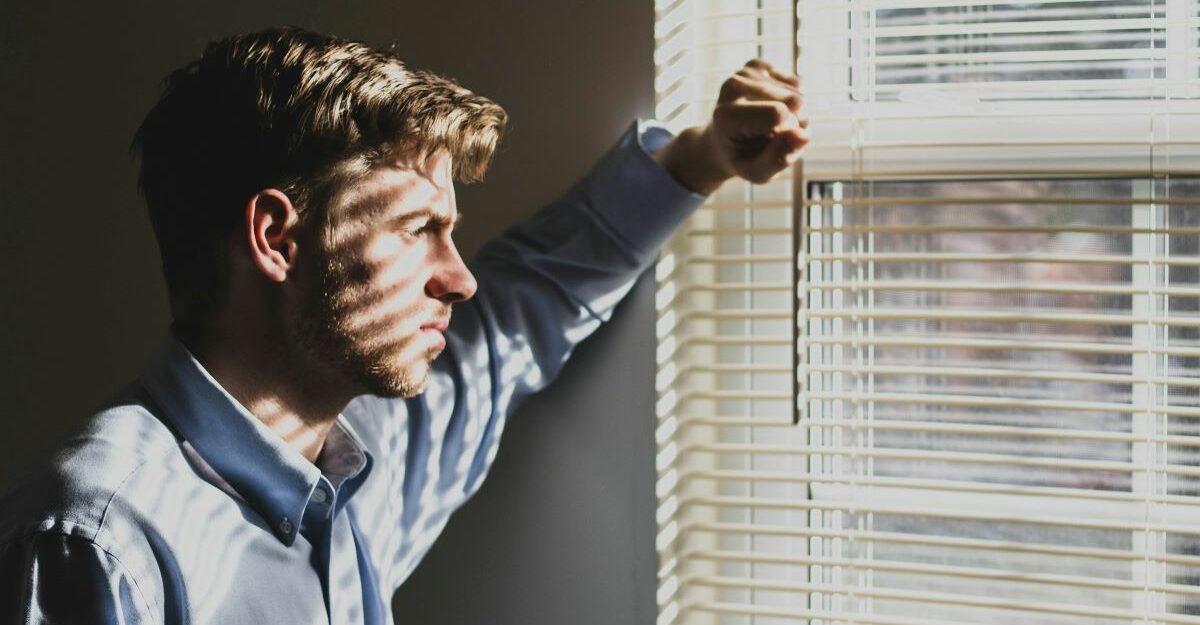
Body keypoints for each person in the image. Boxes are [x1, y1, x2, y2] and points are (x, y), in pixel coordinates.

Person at [0, 27, 807, 625]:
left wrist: (704, 158)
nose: (458, 277)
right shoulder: (96, 539)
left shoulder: (368, 458)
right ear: (279, 239)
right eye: (419, 229)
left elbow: (529, 304)